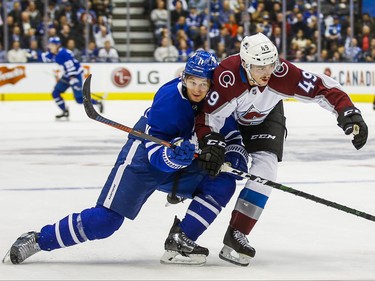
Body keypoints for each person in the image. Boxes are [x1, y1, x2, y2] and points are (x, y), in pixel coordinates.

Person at [2, 50, 244, 266]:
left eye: (204, 83)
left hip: (183, 160)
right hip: (142, 161)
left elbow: (232, 133)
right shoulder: (169, 101)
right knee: (105, 222)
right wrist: (174, 158)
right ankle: (39, 239)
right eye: (193, 81)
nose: (198, 89)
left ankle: (181, 240)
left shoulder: (217, 100)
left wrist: (234, 159)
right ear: (184, 78)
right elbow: (154, 155)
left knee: (222, 181)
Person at [194, 32, 369, 266]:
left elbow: (322, 87)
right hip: (230, 120)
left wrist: (347, 111)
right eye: (259, 67)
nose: (267, 72)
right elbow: (207, 117)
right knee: (214, 162)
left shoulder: (281, 73)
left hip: (266, 117)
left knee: (266, 168)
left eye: (271, 64)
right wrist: (209, 141)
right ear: (245, 64)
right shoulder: (227, 76)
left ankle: (238, 232)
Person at [41, 36, 103, 120]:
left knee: (79, 99)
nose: (50, 47)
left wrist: (74, 79)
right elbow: (46, 57)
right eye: (50, 45)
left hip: (75, 75)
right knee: (55, 93)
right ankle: (65, 111)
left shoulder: (64, 54)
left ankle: (97, 102)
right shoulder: (54, 52)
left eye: (52, 45)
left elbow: (72, 68)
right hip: (68, 75)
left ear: (57, 45)